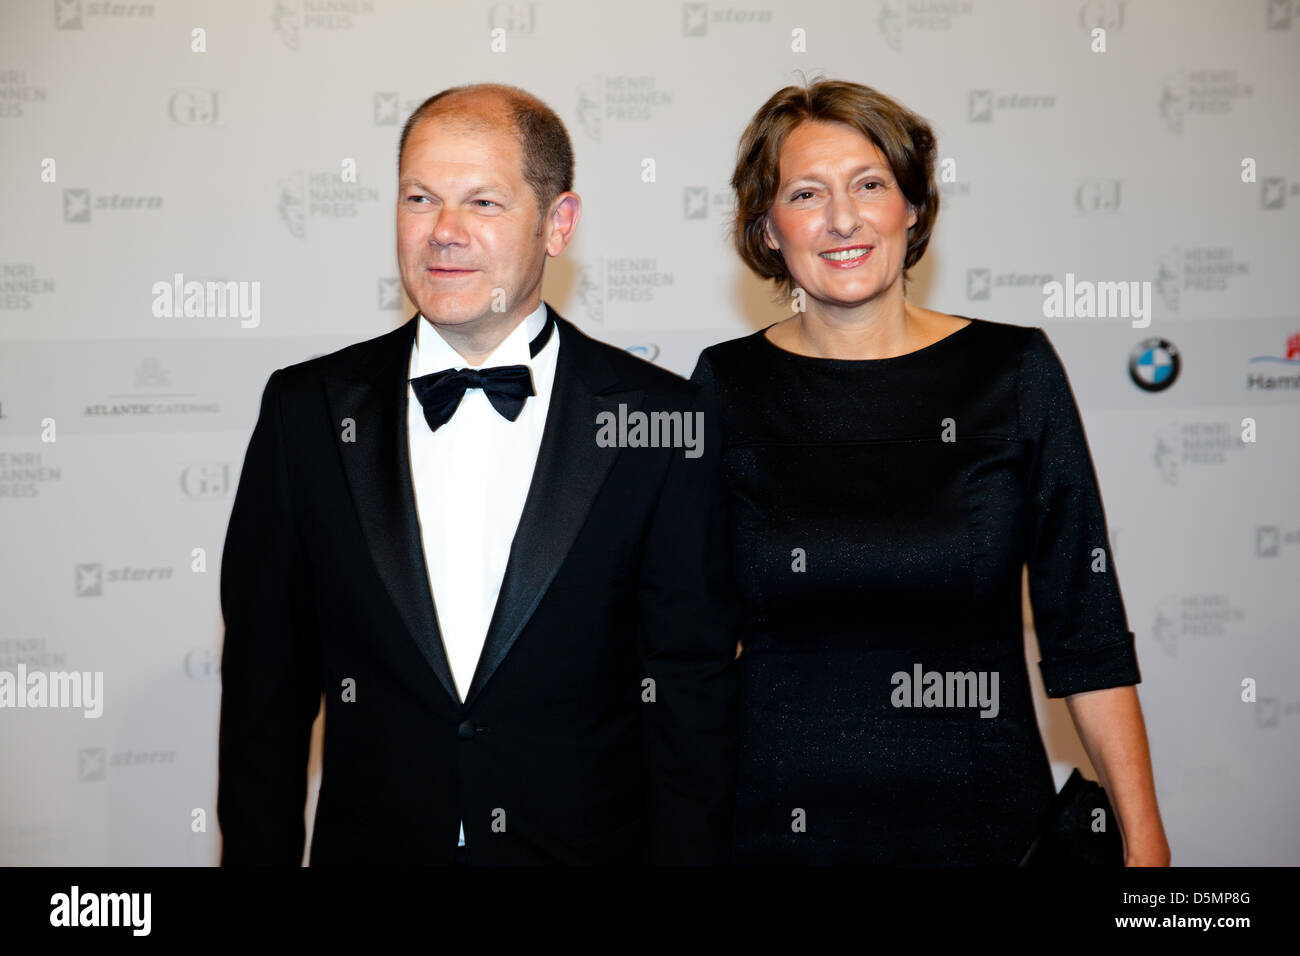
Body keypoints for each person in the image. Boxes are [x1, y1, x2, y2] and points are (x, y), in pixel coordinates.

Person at [217, 83, 739, 866]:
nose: (444, 233)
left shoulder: (663, 423)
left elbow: (689, 703)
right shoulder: (306, 412)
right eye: (420, 198)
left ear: (558, 224)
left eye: (484, 203)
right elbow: (266, 694)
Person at [691, 78, 1171, 866]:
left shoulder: (1013, 373)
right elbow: (693, 648)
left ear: (912, 208)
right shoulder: (725, 387)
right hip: (776, 831)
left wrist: (1144, 844)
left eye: (870, 185)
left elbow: (1085, 634)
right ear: (769, 230)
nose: (842, 219)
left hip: (984, 829)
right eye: (806, 194)